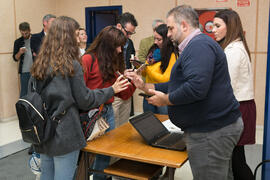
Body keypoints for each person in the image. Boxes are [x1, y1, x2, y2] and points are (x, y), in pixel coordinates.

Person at [125, 5, 244, 180]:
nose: (168, 34)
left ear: (185, 26)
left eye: (171, 28)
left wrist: (166, 100)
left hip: (211, 131)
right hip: (213, 127)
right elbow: (178, 84)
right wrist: (144, 86)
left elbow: (196, 88)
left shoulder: (199, 46)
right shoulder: (196, 46)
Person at [29, 16, 129, 180]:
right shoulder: (71, 65)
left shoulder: (39, 64)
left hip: (43, 131)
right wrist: (111, 90)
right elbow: (85, 99)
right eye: (76, 34)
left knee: (47, 175)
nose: (80, 38)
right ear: (67, 37)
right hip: (65, 133)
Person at [82, 25, 136, 180]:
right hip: (90, 114)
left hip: (107, 112)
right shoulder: (88, 59)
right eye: (117, 46)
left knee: (106, 154)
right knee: (88, 154)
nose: (120, 50)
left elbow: (124, 94)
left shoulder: (112, 61)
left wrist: (133, 81)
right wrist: (112, 88)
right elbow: (81, 95)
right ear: (107, 45)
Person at [213, 9, 256, 180]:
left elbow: (225, 86)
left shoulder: (233, 51)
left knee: (237, 161)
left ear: (229, 27)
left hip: (238, 107)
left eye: (217, 26)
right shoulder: (234, 47)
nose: (213, 30)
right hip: (240, 106)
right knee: (237, 158)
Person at [141, 24, 178, 114]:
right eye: (155, 38)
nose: (155, 42)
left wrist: (148, 68)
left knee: (164, 124)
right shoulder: (153, 52)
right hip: (148, 95)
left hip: (162, 96)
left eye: (159, 39)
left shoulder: (172, 55)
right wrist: (141, 69)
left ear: (166, 40)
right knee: (148, 124)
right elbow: (145, 75)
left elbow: (166, 79)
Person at [113, 12, 138, 127]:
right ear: (119, 26)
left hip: (126, 86)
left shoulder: (129, 42)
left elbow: (128, 59)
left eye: (131, 33)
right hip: (113, 91)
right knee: (112, 127)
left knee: (123, 126)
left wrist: (134, 62)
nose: (129, 36)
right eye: (127, 32)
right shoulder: (108, 41)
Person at [13, 22, 32, 98]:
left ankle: (36, 109)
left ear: (30, 30)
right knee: (24, 93)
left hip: (37, 71)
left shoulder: (36, 39)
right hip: (24, 72)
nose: (24, 35)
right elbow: (15, 58)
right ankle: (23, 110)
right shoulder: (18, 42)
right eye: (22, 33)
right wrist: (19, 53)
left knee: (37, 92)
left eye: (26, 33)